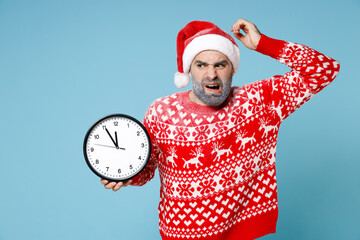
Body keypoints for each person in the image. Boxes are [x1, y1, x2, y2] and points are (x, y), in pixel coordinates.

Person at [101, 18, 340, 240]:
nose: (211, 73)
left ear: (233, 68)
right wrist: (127, 176)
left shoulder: (257, 101)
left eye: (220, 64)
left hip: (241, 232)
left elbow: (324, 70)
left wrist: (262, 43)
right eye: (201, 64)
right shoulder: (160, 112)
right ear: (189, 69)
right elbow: (147, 170)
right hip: (177, 234)